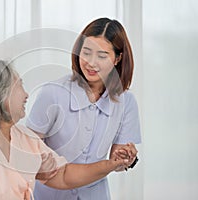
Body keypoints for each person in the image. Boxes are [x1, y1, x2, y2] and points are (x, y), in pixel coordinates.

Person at [0, 59, 130, 200]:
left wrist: (111, 164)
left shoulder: (24, 138)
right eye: (19, 85)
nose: (26, 94)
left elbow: (63, 175)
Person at [26, 17, 142, 200]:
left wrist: (126, 158)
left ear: (118, 58)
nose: (91, 63)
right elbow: (29, 150)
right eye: (86, 52)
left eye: (102, 56)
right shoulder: (53, 93)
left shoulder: (126, 102)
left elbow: (116, 163)